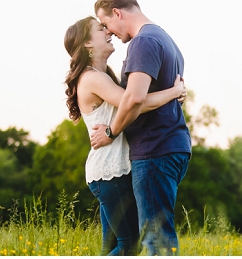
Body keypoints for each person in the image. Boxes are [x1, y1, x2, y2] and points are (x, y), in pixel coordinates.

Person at [64, 17, 185, 255]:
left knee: (112, 247)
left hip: (109, 171)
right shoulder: (92, 78)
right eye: (101, 29)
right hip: (110, 172)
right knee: (129, 245)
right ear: (88, 43)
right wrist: (174, 91)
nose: (108, 31)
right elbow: (133, 103)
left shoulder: (103, 76)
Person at [89, 0, 192, 256]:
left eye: (106, 23)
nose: (109, 31)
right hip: (171, 144)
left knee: (155, 240)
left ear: (117, 13)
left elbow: (134, 99)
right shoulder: (165, 39)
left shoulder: (142, 42)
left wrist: (110, 132)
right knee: (153, 236)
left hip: (154, 149)